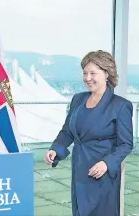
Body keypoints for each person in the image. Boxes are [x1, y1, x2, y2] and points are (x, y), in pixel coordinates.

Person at [44, 50, 133, 216]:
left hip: (101, 173)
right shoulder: (78, 99)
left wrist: (106, 163)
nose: (87, 78)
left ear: (106, 74)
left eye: (93, 73)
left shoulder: (121, 106)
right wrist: (55, 149)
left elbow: (126, 144)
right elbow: (67, 132)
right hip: (79, 171)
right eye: (85, 73)